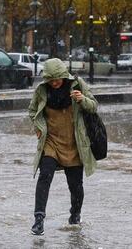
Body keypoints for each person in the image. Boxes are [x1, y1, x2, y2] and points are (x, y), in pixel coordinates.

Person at [28, 58, 98, 235]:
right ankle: (38, 219)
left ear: (63, 76)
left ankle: (75, 215)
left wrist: (82, 99)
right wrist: (38, 127)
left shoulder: (77, 85)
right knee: (44, 176)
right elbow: (32, 111)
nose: (54, 83)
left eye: (57, 79)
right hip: (51, 142)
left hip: (74, 144)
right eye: (51, 80)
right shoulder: (42, 91)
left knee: (75, 186)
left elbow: (93, 106)